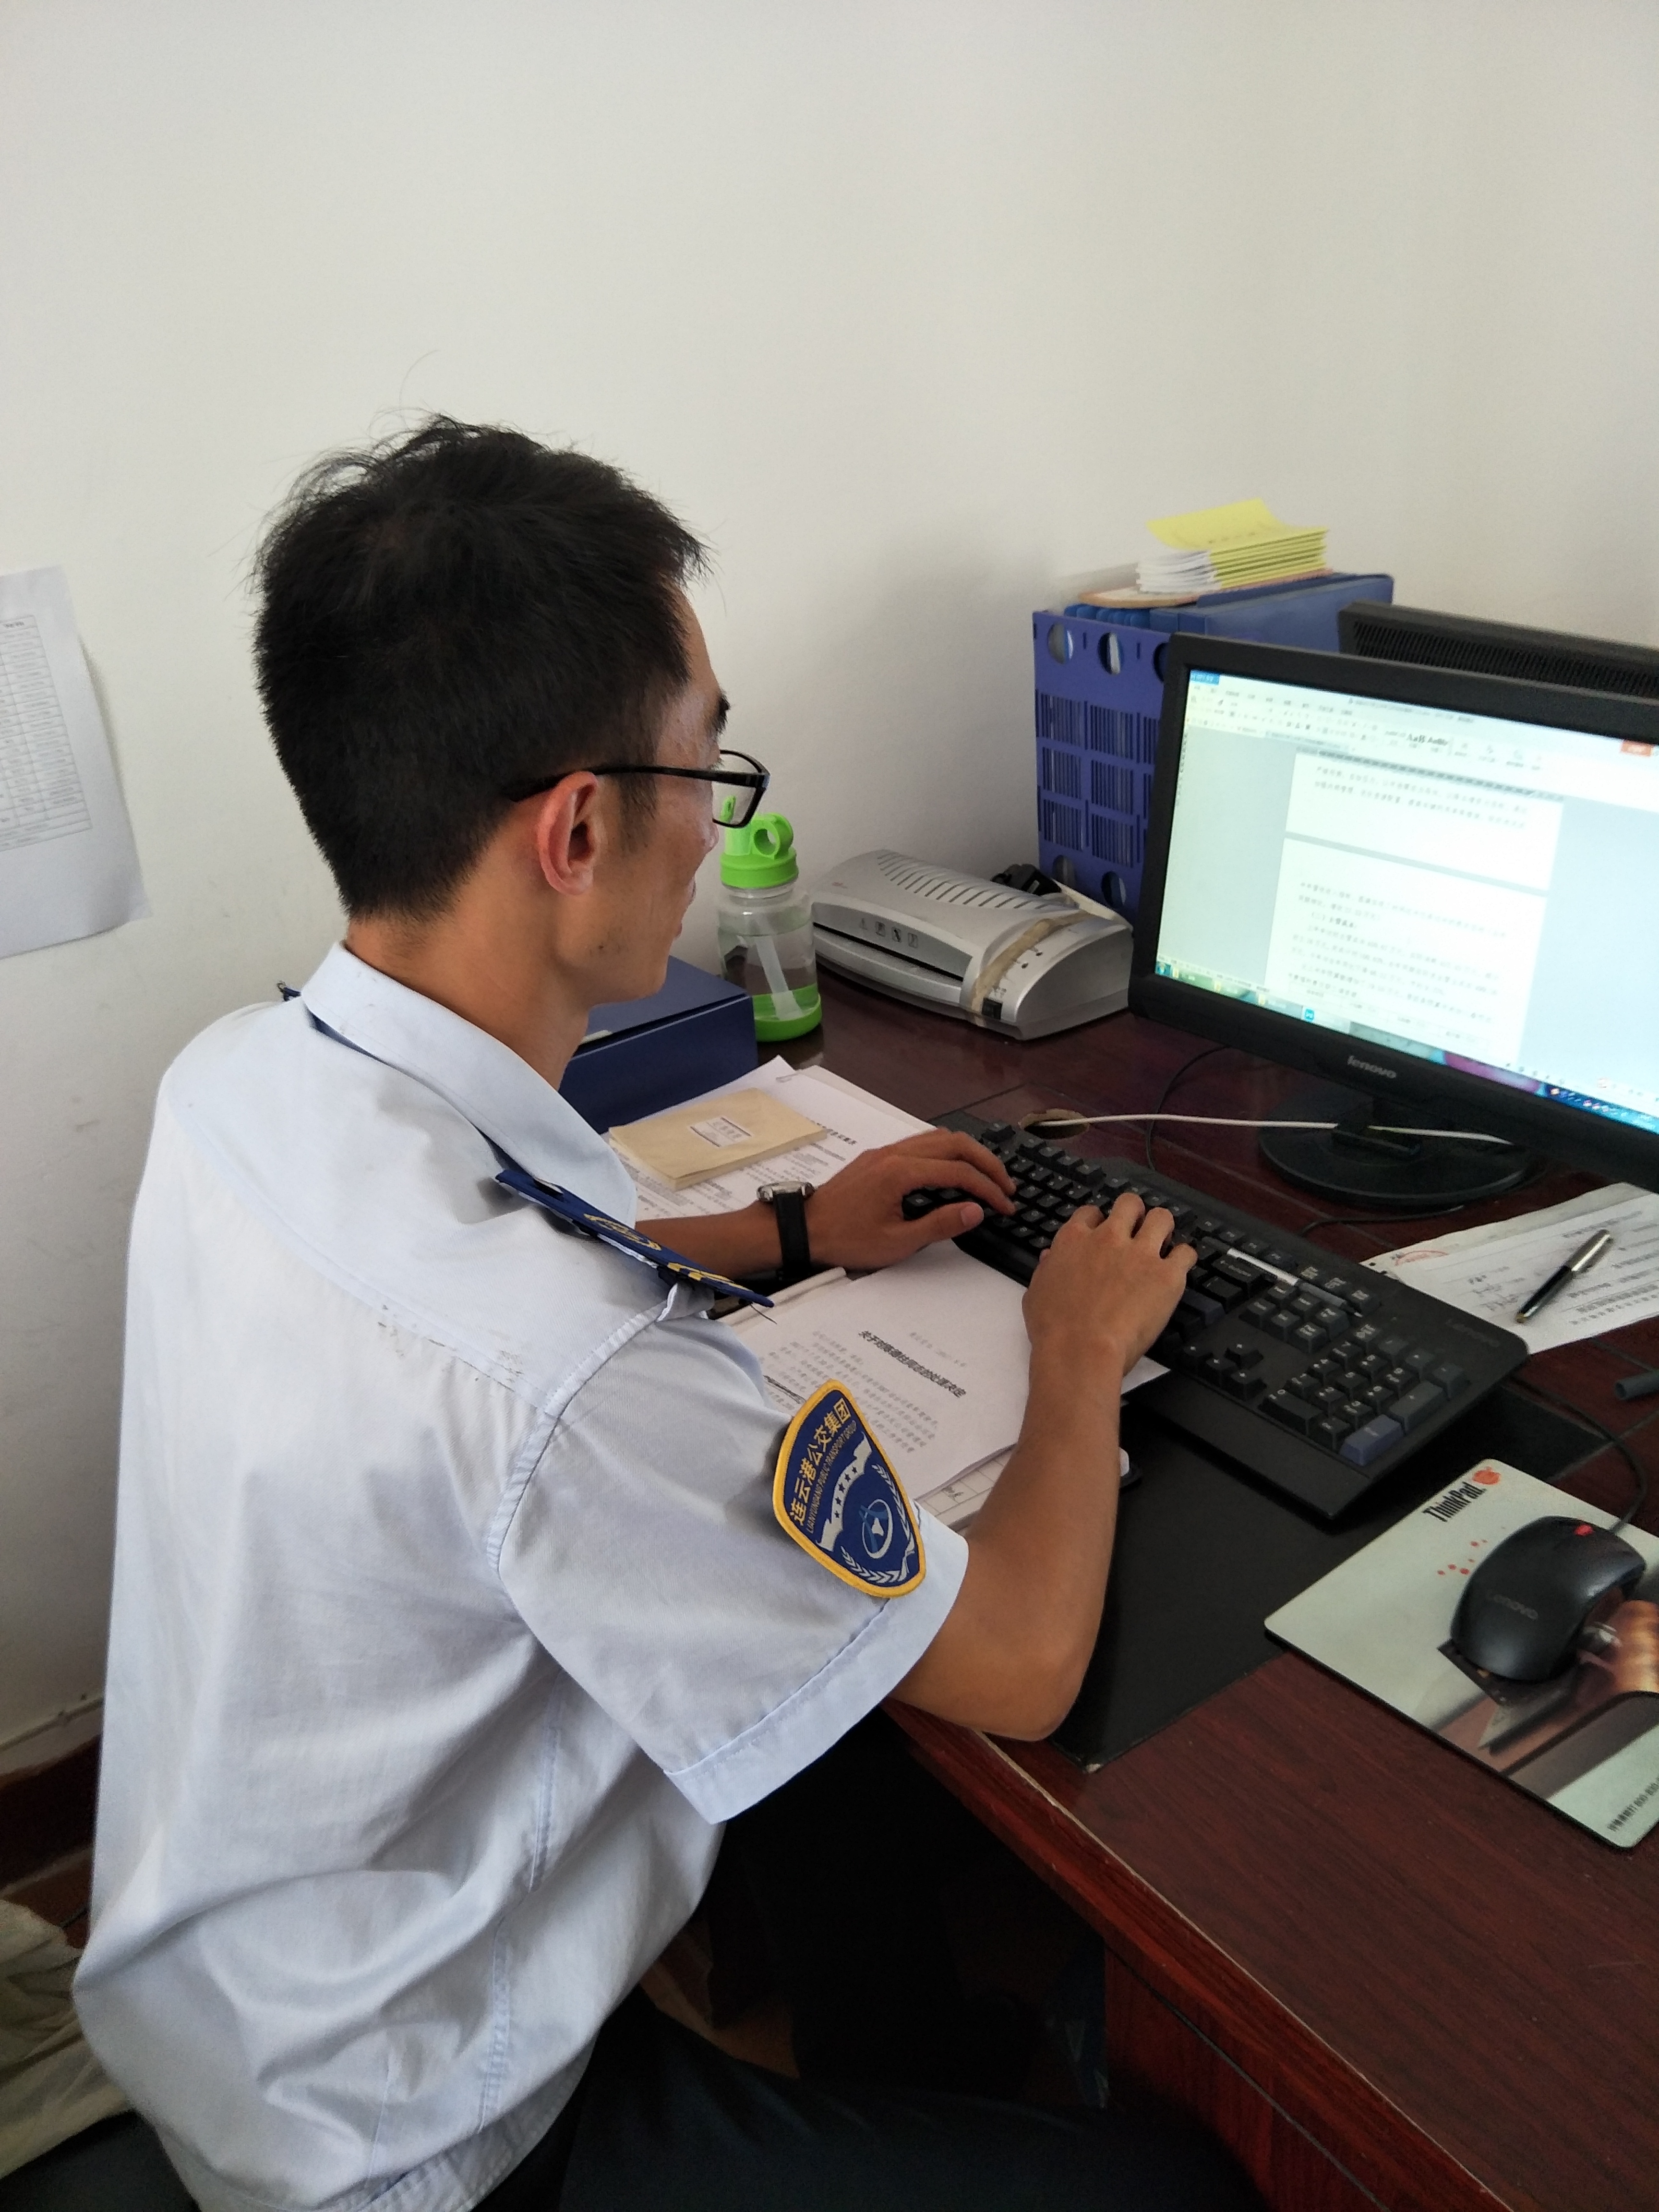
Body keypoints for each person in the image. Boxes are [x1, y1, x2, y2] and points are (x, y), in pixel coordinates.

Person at [76, 421, 1253, 2212]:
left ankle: (905, 2066)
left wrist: (790, 1227)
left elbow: (488, 1241)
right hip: (414, 2142)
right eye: (709, 757)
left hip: (237, 1987)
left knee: (822, 1754)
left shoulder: (244, 1080)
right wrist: (1080, 1342)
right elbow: (1018, 1665)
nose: (718, 821)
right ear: (576, 828)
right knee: (1180, 2192)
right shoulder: (572, 1380)